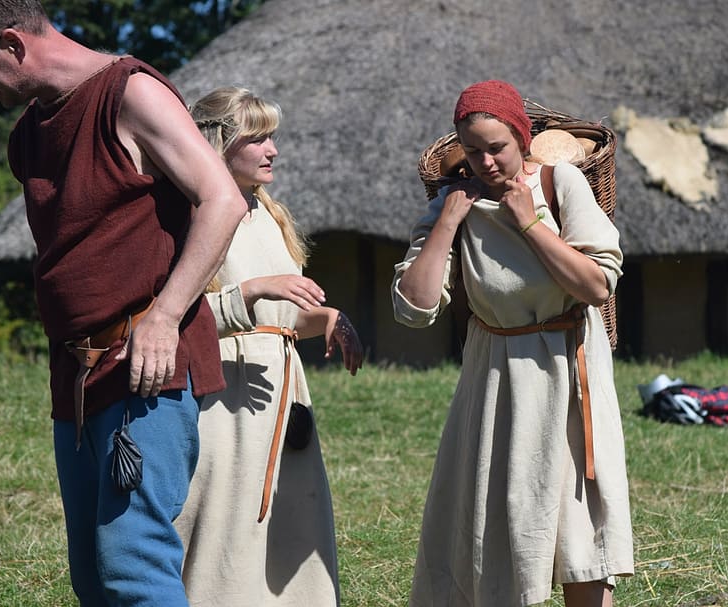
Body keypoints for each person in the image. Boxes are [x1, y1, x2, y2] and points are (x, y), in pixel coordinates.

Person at [0, 2, 248, 605]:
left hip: (145, 365)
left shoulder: (131, 93)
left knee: (133, 565)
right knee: (94, 577)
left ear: (11, 44)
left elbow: (222, 200)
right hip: (77, 377)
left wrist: (165, 317)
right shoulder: (30, 134)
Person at [392, 80, 634, 607]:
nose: (486, 161)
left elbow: (596, 285)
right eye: (473, 150)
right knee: (494, 523)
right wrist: (447, 223)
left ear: (522, 139)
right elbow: (413, 307)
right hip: (495, 374)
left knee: (577, 524)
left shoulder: (560, 182)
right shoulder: (451, 205)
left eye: (496, 147)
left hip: (568, 370)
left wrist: (529, 221)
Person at [174, 86, 363, 607]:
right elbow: (170, 319)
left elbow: (275, 321)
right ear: (217, 143)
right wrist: (253, 291)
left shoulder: (269, 214)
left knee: (288, 527)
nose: (272, 150)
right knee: (228, 528)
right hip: (224, 400)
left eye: (272, 136)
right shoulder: (192, 215)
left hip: (281, 391)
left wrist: (324, 319)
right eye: (256, 139)